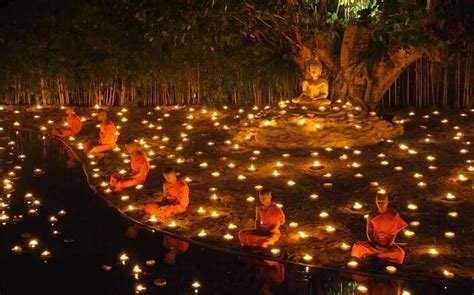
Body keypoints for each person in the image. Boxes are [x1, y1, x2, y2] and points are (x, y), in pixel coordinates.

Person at [351, 193, 408, 264]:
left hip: (388, 245)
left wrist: (388, 246)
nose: (381, 204)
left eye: (383, 202)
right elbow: (369, 232)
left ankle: (375, 256)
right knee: (357, 246)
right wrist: (374, 244)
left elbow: (393, 234)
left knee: (400, 253)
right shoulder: (372, 215)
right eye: (378, 202)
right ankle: (380, 256)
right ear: (376, 202)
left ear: (387, 202)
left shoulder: (393, 214)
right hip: (374, 243)